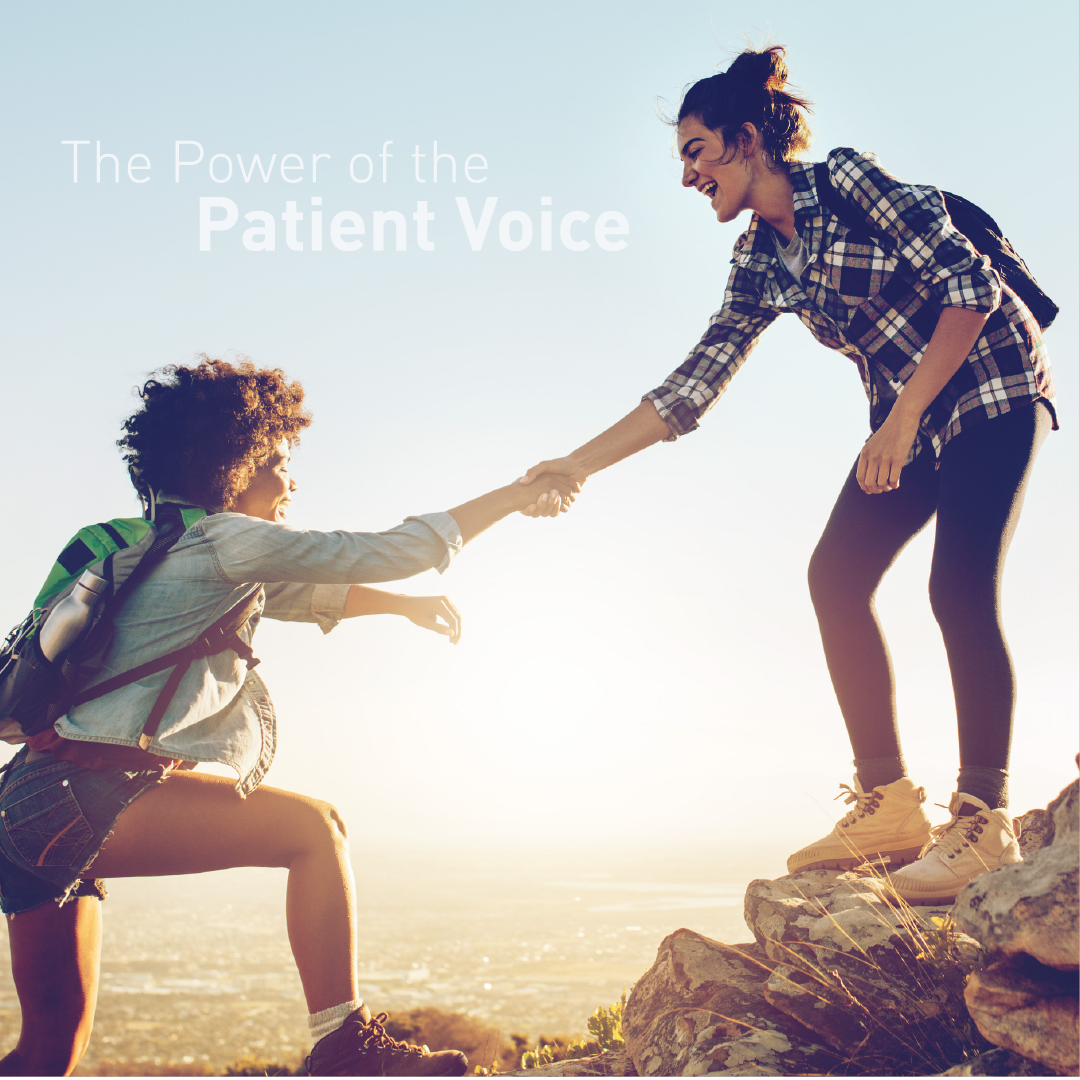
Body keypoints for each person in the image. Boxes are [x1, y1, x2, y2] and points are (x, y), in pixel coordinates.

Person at [520, 46, 1056, 905]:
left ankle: (982, 820)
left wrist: (906, 413)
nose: (688, 175)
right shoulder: (759, 263)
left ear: (744, 140)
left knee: (957, 588)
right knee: (835, 576)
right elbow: (693, 386)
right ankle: (888, 804)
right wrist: (576, 465)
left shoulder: (847, 181)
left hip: (990, 386)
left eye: (695, 151)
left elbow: (972, 287)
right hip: (907, 422)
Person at [0, 357, 574, 1077]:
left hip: (28, 807)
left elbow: (306, 596)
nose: (290, 479)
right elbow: (392, 550)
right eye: (275, 460)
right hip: (83, 800)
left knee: (48, 1053)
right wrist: (516, 495)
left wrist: (400, 607)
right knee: (314, 829)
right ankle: (345, 1045)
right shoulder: (227, 540)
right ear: (232, 467)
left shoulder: (156, 545)